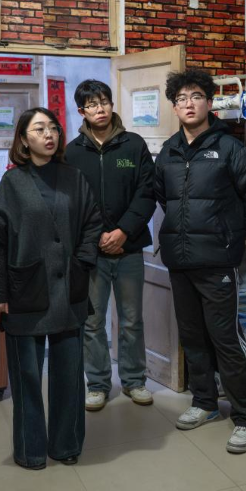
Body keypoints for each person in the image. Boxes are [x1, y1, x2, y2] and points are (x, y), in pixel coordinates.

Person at [153, 69, 246, 454]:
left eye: (196, 96)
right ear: (174, 107)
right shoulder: (168, 152)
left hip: (217, 261)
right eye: (181, 99)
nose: (189, 104)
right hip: (179, 259)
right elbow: (163, 197)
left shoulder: (232, 149)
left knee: (225, 338)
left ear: (209, 102)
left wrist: (229, 234)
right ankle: (204, 402)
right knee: (192, 336)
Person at [0, 108, 101, 470]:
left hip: (68, 289)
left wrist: (82, 261)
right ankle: (30, 450)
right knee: (27, 377)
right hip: (25, 288)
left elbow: (93, 222)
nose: (49, 134)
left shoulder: (74, 177)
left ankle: (66, 445)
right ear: (23, 139)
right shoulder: (12, 182)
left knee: (68, 374)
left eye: (53, 128)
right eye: (39, 129)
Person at [64, 80, 156, 411]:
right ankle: (98, 384)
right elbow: (70, 202)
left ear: (112, 105)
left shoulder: (134, 145)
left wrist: (123, 232)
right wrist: (97, 237)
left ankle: (134, 380)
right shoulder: (72, 152)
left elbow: (147, 192)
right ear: (82, 111)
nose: (99, 108)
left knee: (131, 319)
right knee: (92, 322)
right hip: (91, 253)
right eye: (92, 104)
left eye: (104, 101)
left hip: (129, 248)